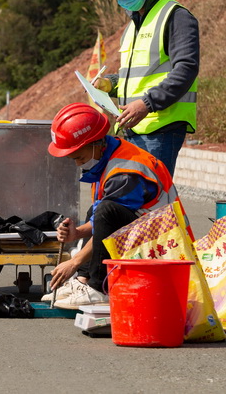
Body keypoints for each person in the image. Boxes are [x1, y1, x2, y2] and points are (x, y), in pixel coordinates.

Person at [42, 102, 179, 309]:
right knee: (97, 211)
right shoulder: (110, 156)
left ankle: (98, 289)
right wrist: (77, 233)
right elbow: (106, 220)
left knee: (105, 210)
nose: (78, 164)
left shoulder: (126, 172)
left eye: (79, 157)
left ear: (96, 143)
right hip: (149, 232)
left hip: (166, 244)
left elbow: (110, 219)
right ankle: (84, 281)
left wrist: (75, 261)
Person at [96, 0, 200, 176]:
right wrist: (110, 84)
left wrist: (146, 104)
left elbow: (186, 69)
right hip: (134, 130)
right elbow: (140, 76)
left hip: (161, 128)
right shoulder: (132, 26)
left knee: (152, 204)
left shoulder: (175, 16)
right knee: (137, 205)